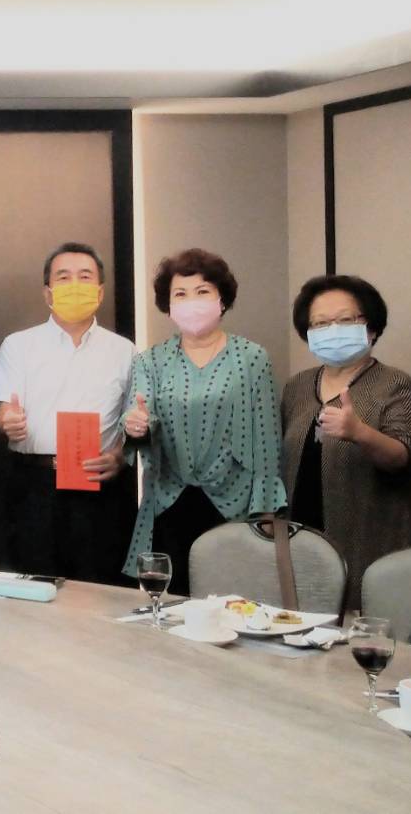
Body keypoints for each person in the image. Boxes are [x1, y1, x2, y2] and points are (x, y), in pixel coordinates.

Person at [122, 248, 287, 593]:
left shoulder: (252, 358)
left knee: (233, 601)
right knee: (173, 602)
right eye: (180, 294)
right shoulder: (150, 360)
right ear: (168, 305)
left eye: (202, 291)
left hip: (236, 500)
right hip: (170, 498)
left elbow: (267, 440)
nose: (191, 302)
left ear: (221, 299)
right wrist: (136, 424)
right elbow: (139, 412)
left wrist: (267, 510)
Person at [280, 274, 411, 608]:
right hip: (305, 541)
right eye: (320, 323)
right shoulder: (297, 387)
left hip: (374, 542)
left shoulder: (396, 385)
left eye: (346, 320)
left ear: (371, 327)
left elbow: (407, 456)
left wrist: (360, 432)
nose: (332, 330)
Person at [0, 243, 135, 582]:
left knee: (98, 588)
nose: (74, 285)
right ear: (48, 292)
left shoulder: (125, 351)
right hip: (34, 485)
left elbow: (132, 423)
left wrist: (119, 457)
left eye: (84, 277)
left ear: (99, 292)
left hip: (98, 484)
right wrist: (7, 422)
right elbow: (3, 411)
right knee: (32, 587)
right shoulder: (18, 345)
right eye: (63, 277)